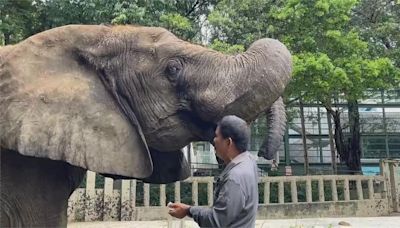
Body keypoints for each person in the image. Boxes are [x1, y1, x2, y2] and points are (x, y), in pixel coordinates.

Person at [168, 115, 259, 228]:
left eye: (216, 136)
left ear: (228, 142)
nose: (214, 140)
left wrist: (188, 210)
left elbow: (215, 221)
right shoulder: (249, 162)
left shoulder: (234, 178)